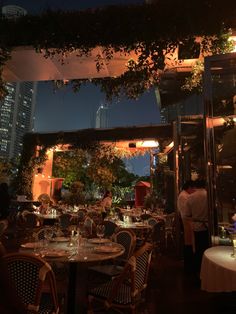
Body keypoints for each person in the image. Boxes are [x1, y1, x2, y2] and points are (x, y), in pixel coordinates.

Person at [186, 179, 209, 274]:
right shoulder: (208, 195)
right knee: (208, 249)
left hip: (197, 226)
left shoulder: (191, 197)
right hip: (208, 226)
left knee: (198, 249)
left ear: (196, 186)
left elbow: (188, 213)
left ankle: (199, 271)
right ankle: (208, 270)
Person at [177, 180, 195, 273]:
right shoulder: (184, 196)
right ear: (189, 187)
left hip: (186, 221)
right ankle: (188, 266)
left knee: (188, 243)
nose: (194, 190)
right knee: (188, 243)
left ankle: (188, 265)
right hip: (187, 221)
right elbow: (186, 212)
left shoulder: (183, 195)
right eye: (193, 188)